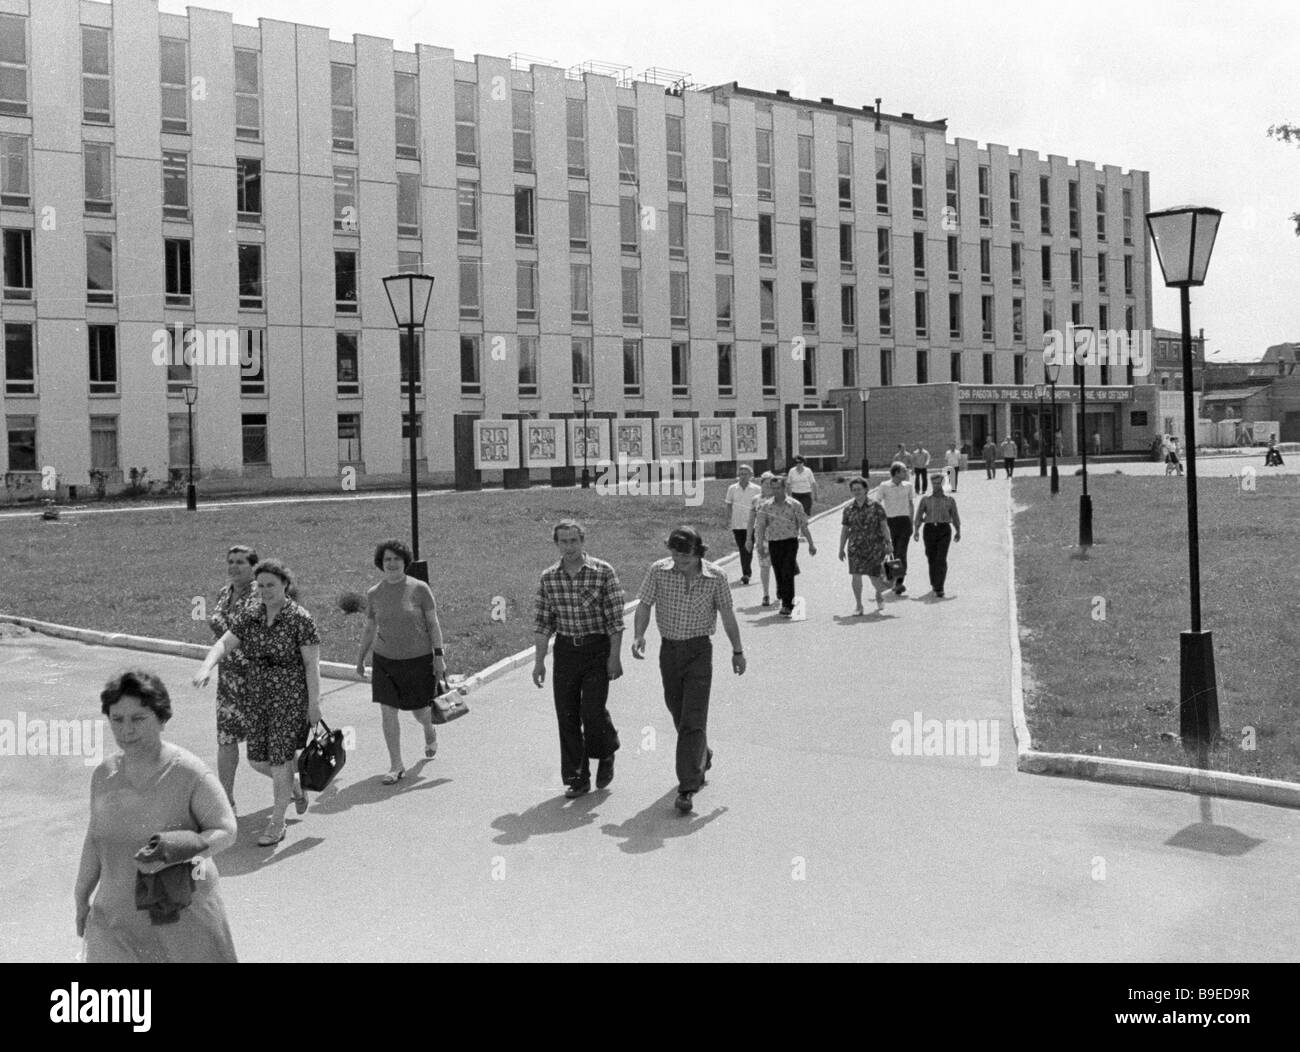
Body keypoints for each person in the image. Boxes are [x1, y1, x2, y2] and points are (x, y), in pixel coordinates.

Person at [75, 669, 238, 963]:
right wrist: (81, 895)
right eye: (117, 719)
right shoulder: (104, 775)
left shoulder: (189, 773)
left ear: (161, 718)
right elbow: (95, 838)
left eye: (138, 719)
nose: (127, 730)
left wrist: (180, 849)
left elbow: (226, 829)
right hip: (115, 921)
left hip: (180, 918)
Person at [193, 559, 321, 847]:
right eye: (261, 585)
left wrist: (314, 704)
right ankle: (295, 788)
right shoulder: (252, 616)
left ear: (285, 585)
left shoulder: (300, 618)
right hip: (257, 697)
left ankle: (277, 822)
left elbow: (312, 665)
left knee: (279, 760)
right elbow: (224, 643)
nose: (265, 591)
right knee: (257, 760)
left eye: (271, 585)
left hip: (289, 697)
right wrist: (206, 667)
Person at [631, 526, 746, 814]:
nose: (680, 561)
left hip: (698, 651)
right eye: (675, 554)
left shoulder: (716, 577)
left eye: (686, 556)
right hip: (669, 651)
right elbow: (644, 605)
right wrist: (639, 634)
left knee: (693, 719)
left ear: (699, 552)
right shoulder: (659, 571)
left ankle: (687, 787)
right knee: (678, 711)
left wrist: (737, 650)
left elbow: (727, 615)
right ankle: (701, 754)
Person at [532, 520, 625, 798]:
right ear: (556, 544)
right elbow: (542, 623)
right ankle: (577, 777)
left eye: (574, 541)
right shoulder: (549, 577)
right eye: (564, 541)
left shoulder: (602, 571)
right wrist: (539, 662)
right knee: (567, 714)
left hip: (596, 648)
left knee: (592, 711)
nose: (569, 547)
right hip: (566, 651)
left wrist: (614, 657)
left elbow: (616, 620)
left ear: (582, 541)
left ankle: (606, 750)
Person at [355, 539, 445, 784]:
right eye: (387, 559)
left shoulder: (419, 589)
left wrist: (439, 657)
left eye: (396, 559)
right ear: (380, 563)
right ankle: (396, 765)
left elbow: (433, 624)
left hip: (418, 660)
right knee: (387, 711)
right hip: (385, 661)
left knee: (420, 712)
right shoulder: (374, 593)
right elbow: (370, 627)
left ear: (405, 561)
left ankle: (429, 729)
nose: (391, 563)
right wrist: (361, 658)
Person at [208, 545, 261, 812]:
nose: (234, 567)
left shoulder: (261, 593)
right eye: (230, 561)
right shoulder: (222, 593)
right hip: (228, 680)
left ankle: (295, 786)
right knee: (226, 741)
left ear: (253, 566)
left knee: (263, 747)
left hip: (256, 679)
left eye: (240, 562)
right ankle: (225, 801)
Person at [753, 476, 817, 617]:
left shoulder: (794, 504)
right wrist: (759, 545)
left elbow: (803, 525)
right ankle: (782, 592)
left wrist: (811, 544)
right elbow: (761, 526)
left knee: (788, 571)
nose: (776, 491)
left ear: (785, 488)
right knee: (778, 572)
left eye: (778, 488)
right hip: (774, 543)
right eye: (773, 488)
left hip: (790, 542)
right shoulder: (766, 506)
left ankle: (787, 605)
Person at [838, 476, 894, 615]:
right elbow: (845, 530)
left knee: (875, 575)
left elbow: (884, 526)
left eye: (859, 489)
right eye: (854, 489)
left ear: (866, 490)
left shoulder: (876, 506)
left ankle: (879, 595)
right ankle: (858, 605)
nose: (856, 492)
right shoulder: (848, 509)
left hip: (875, 546)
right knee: (856, 575)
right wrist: (841, 549)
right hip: (855, 547)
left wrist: (889, 543)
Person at [913, 472, 962, 598]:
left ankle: (939, 587)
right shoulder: (926, 499)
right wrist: (916, 530)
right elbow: (919, 515)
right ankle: (934, 582)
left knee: (941, 558)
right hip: (929, 529)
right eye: (934, 483)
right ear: (931, 484)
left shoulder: (949, 500)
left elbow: (955, 516)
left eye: (938, 483)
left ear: (943, 483)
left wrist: (958, 530)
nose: (936, 486)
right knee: (931, 557)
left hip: (944, 529)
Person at [873, 462, 915, 596]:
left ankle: (899, 583)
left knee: (901, 553)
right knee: (891, 552)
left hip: (904, 522)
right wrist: (879, 522)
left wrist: (911, 522)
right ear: (896, 473)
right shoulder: (884, 486)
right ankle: (892, 580)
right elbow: (877, 503)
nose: (906, 472)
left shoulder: (908, 486)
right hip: (889, 522)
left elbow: (911, 504)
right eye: (904, 471)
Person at [724, 465, 762, 585]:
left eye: (745, 474)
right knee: (742, 548)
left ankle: (746, 573)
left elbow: (761, 505)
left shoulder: (756, 489)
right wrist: (729, 519)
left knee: (748, 547)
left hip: (752, 524)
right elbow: (729, 504)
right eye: (740, 474)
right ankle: (746, 572)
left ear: (750, 475)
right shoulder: (732, 488)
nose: (742, 476)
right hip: (737, 523)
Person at [746, 472, 777, 605]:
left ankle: (780, 591)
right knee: (764, 567)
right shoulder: (756, 500)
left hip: (779, 538)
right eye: (766, 483)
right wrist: (748, 538)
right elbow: (751, 520)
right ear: (761, 484)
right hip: (762, 539)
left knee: (779, 567)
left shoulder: (780, 498)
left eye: (772, 483)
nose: (769, 486)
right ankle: (765, 594)